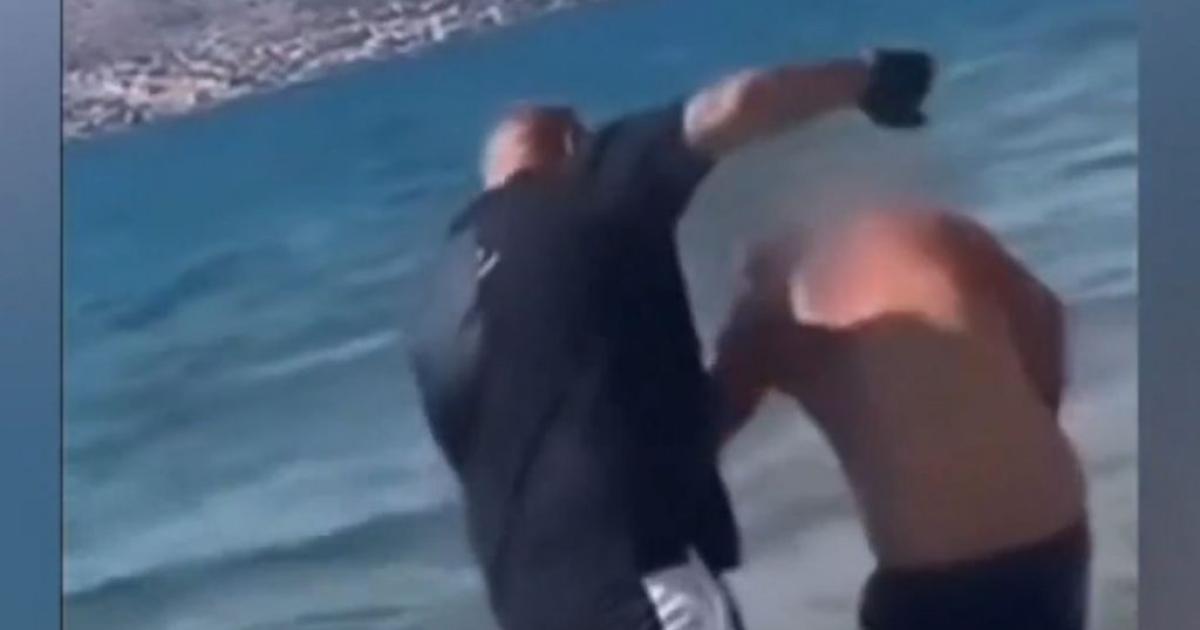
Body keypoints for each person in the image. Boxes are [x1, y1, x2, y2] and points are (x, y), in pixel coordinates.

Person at [409, 49, 936, 630]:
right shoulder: (582, 186)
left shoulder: (439, 302)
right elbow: (740, 103)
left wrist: (753, 326)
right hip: (644, 589)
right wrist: (868, 79)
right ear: (573, 144)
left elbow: (640, 444)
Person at [712, 209, 1090, 630]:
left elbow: (692, 441)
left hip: (938, 582)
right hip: (1055, 536)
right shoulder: (935, 234)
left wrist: (746, 316)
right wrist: (1037, 430)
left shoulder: (766, 330)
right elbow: (1044, 314)